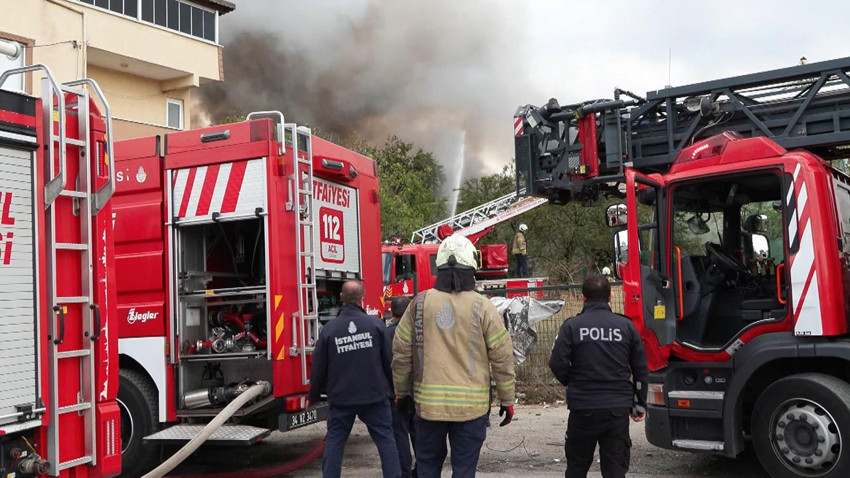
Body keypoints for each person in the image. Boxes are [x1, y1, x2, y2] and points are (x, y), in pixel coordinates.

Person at [392, 234, 516, 478]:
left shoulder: (419, 303)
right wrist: (507, 399)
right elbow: (502, 357)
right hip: (471, 411)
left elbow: (401, 352)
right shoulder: (484, 307)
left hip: (428, 409)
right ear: (471, 266)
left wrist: (401, 393)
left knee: (427, 467)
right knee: (464, 471)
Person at [548, 275, 648, 478]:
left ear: (584, 297)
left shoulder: (572, 326)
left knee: (577, 468)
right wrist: (639, 404)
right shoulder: (626, 326)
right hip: (616, 410)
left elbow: (557, 363)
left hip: (583, 408)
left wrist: (573, 382)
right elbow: (640, 369)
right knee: (615, 470)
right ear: (610, 297)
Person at [309, 280, 401, 478]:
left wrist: (314, 395)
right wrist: (394, 391)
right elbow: (388, 362)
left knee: (334, 443)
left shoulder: (329, 330)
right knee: (386, 441)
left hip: (342, 399)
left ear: (341, 297)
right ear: (362, 298)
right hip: (374, 397)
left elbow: (318, 367)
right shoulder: (376, 325)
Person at [386, 296, 417, 478]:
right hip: (419, 392)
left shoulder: (386, 333)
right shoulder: (420, 333)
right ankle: (421, 471)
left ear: (392, 312)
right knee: (419, 434)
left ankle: (404, 472)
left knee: (400, 434)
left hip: (396, 393)